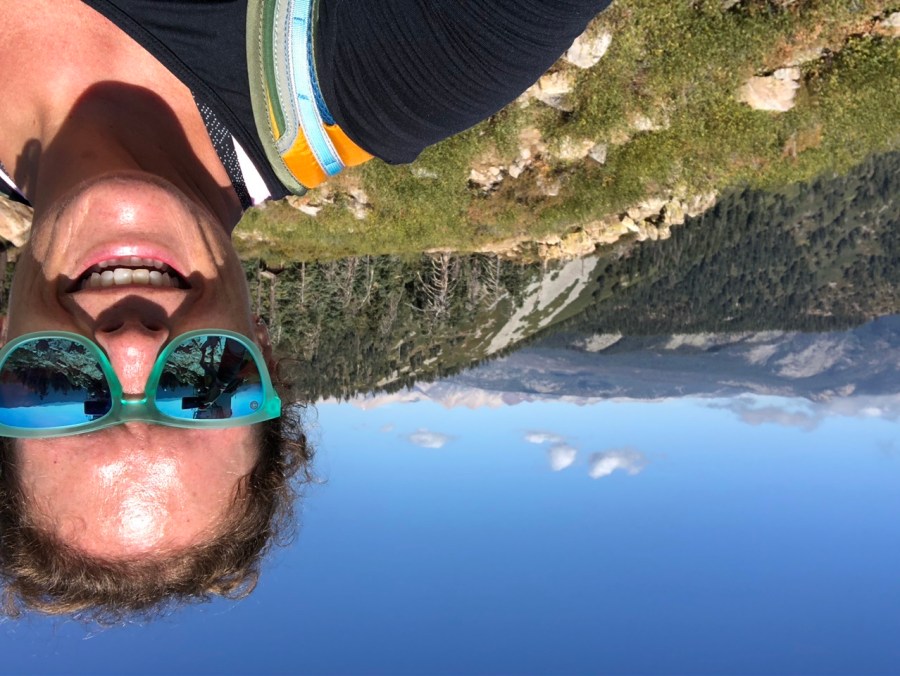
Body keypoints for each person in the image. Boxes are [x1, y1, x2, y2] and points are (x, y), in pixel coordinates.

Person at [0, 0, 610, 619]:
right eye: (201, 386)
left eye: (60, 389)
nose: (132, 344)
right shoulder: (400, 66)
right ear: (260, 355)